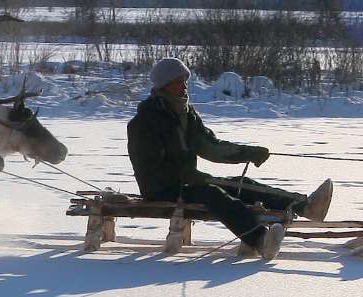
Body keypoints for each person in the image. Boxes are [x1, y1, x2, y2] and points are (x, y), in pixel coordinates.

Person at [126, 58, 333, 260]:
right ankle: (260, 240)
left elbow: (210, 147)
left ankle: (304, 206)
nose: (184, 87)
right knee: (214, 194)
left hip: (189, 182)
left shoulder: (185, 113)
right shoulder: (145, 121)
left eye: (185, 81)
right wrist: (182, 176)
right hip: (160, 188)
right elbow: (146, 167)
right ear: (164, 85)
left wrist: (248, 153)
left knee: (241, 185)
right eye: (178, 82)